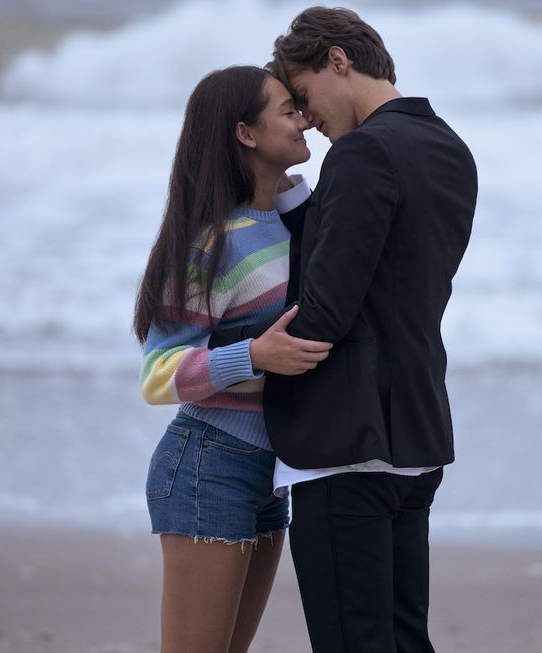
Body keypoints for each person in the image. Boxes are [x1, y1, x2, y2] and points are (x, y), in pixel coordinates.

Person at [211, 7, 479, 652]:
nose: (309, 121)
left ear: (338, 59)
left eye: (303, 96)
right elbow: (387, 282)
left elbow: (326, 312)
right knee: (402, 639)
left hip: (346, 441)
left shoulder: (365, 152)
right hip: (416, 432)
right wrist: (305, 206)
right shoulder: (450, 148)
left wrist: (238, 352)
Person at [132, 65, 332, 653]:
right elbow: (158, 372)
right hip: (207, 465)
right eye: (287, 110)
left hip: (272, 472)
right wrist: (255, 355)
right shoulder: (212, 241)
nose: (304, 120)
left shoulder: (288, 223)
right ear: (246, 133)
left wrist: (293, 190)